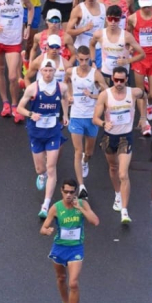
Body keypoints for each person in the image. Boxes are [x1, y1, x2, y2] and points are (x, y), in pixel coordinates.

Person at [92, 65, 151, 225]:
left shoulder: (133, 92)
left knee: (123, 174)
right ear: (112, 79)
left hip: (126, 137)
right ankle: (117, 193)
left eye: (121, 80)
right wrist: (104, 123)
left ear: (126, 80)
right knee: (113, 168)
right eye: (116, 80)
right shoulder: (105, 95)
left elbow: (145, 96)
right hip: (109, 137)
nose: (118, 83)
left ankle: (124, 212)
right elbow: (95, 118)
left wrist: (143, 117)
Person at [39, 178, 99, 303]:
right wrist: (47, 231)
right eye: (66, 192)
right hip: (59, 248)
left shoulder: (82, 204)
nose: (69, 195)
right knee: (61, 278)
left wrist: (81, 208)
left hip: (75, 249)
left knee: (73, 283)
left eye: (72, 192)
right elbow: (43, 228)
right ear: (61, 191)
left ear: (76, 192)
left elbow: (95, 222)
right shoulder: (56, 208)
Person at [17, 58, 70, 218]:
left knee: (51, 167)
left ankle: (46, 205)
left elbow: (65, 98)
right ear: (41, 71)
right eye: (45, 71)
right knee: (41, 169)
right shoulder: (33, 88)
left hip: (53, 131)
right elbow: (19, 108)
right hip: (36, 132)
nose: (48, 73)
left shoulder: (62, 87)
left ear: (55, 72)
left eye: (51, 71)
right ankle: (42, 174)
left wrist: (66, 115)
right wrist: (31, 114)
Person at [64, 45, 105, 197]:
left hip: (91, 117)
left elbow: (105, 91)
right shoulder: (71, 71)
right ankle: (81, 186)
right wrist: (69, 95)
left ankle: (85, 161)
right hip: (76, 116)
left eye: (86, 60)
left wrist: (92, 96)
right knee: (77, 150)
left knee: (88, 152)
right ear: (77, 58)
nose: (83, 63)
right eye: (80, 60)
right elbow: (66, 81)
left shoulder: (95, 74)